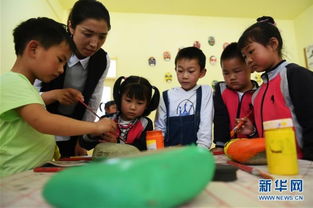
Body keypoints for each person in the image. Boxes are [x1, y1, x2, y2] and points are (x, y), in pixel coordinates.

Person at [0, 17, 116, 177]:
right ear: (33, 49)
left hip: (31, 175)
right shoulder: (11, 81)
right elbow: (43, 122)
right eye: (60, 60)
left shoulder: (28, 90)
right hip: (12, 180)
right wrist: (97, 126)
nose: (62, 70)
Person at [34, 0, 112, 158]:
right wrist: (55, 94)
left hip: (73, 131)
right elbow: (29, 94)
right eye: (87, 34)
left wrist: (81, 139)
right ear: (71, 26)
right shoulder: (51, 49)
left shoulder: (102, 59)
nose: (94, 44)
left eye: (102, 37)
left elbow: (93, 99)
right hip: (39, 129)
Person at [237, 21, 313, 161]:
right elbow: (264, 137)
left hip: (300, 163)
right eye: (244, 56)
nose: (248, 60)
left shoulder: (295, 75)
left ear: (273, 44)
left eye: (251, 51)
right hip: (271, 163)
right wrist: (252, 131)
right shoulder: (257, 94)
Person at [79, 76, 160, 151]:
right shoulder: (106, 120)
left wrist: (117, 144)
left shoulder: (145, 123)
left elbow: (142, 149)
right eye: (128, 100)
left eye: (139, 103)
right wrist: (92, 134)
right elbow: (85, 145)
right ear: (119, 98)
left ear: (147, 105)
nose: (133, 107)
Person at [154, 47, 213, 148]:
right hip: (169, 154)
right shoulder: (166, 96)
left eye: (191, 71)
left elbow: (205, 127)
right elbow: (159, 130)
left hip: (195, 153)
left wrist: (200, 152)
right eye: (180, 71)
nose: (185, 76)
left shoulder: (205, 92)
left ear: (202, 73)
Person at [211, 42, 258, 154]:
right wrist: (220, 145)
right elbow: (220, 119)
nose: (231, 77)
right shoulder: (221, 91)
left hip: (252, 147)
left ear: (250, 68)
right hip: (229, 148)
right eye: (226, 73)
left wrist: (253, 133)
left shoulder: (258, 94)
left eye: (237, 71)